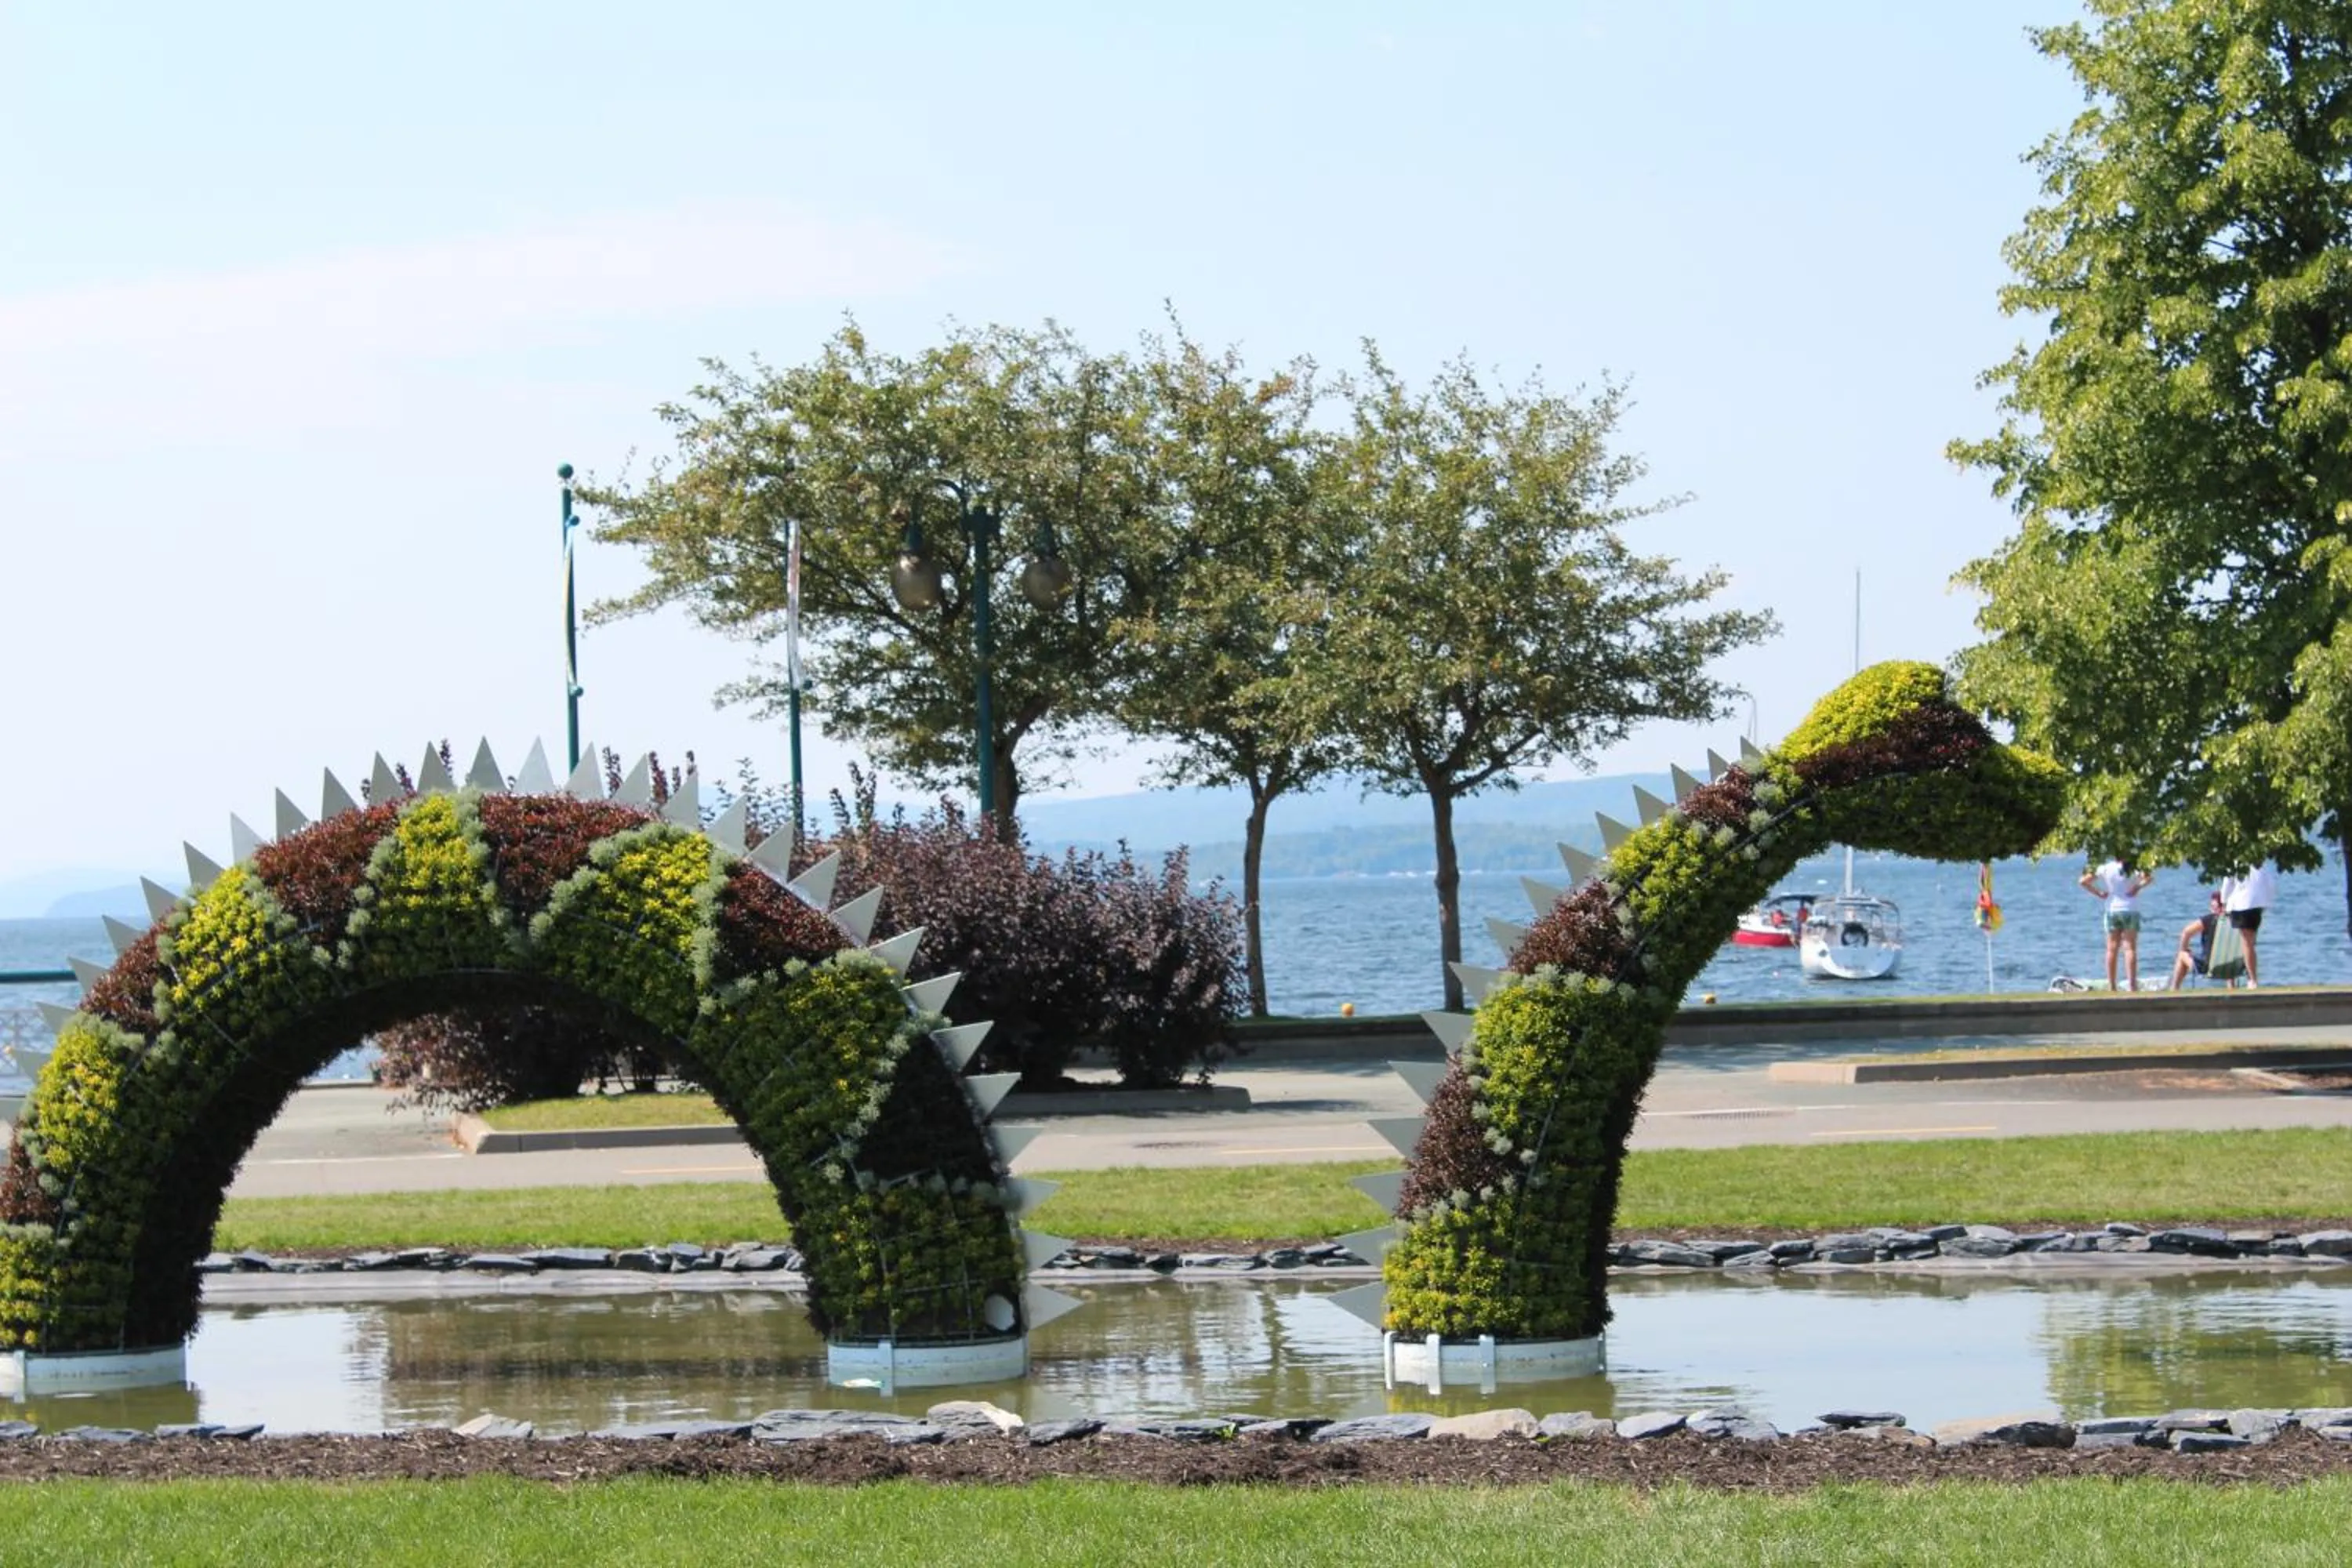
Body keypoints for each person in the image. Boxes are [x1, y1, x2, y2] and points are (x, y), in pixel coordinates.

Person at [2078, 856, 2154, 991]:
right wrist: (2137, 887)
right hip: (2130, 909)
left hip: (2112, 909)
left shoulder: (2106, 868)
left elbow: (2083, 881)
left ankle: (2112, 986)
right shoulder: (2133, 867)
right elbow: (2148, 878)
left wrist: (2099, 893)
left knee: (2111, 949)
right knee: (2130, 948)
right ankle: (2132, 986)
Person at [2220, 862, 2278, 988]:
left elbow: (2227, 884)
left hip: (2241, 905)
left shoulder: (2235, 863)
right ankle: (2249, 976)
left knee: (2247, 944)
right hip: (2256, 905)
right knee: (2250, 943)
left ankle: (2252, 979)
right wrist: (2266, 901)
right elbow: (2271, 885)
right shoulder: (2260, 865)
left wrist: (2223, 902)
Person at [2169, 891, 2226, 989]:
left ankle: (2174, 989)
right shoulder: (2234, 922)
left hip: (2208, 967)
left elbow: (2186, 933)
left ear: (2215, 906)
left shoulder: (2209, 920)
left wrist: (2184, 950)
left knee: (2181, 955)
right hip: (2231, 966)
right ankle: (2231, 987)